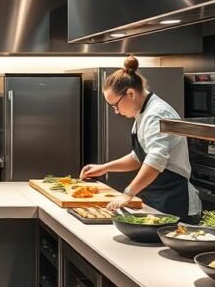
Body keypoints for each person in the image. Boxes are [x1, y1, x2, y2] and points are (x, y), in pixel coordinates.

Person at [79, 55, 201, 221]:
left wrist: (128, 193)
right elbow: (138, 157)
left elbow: (155, 159)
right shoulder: (142, 113)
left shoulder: (156, 114)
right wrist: (104, 168)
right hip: (157, 197)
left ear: (130, 94)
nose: (115, 111)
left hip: (174, 201)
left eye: (115, 105)